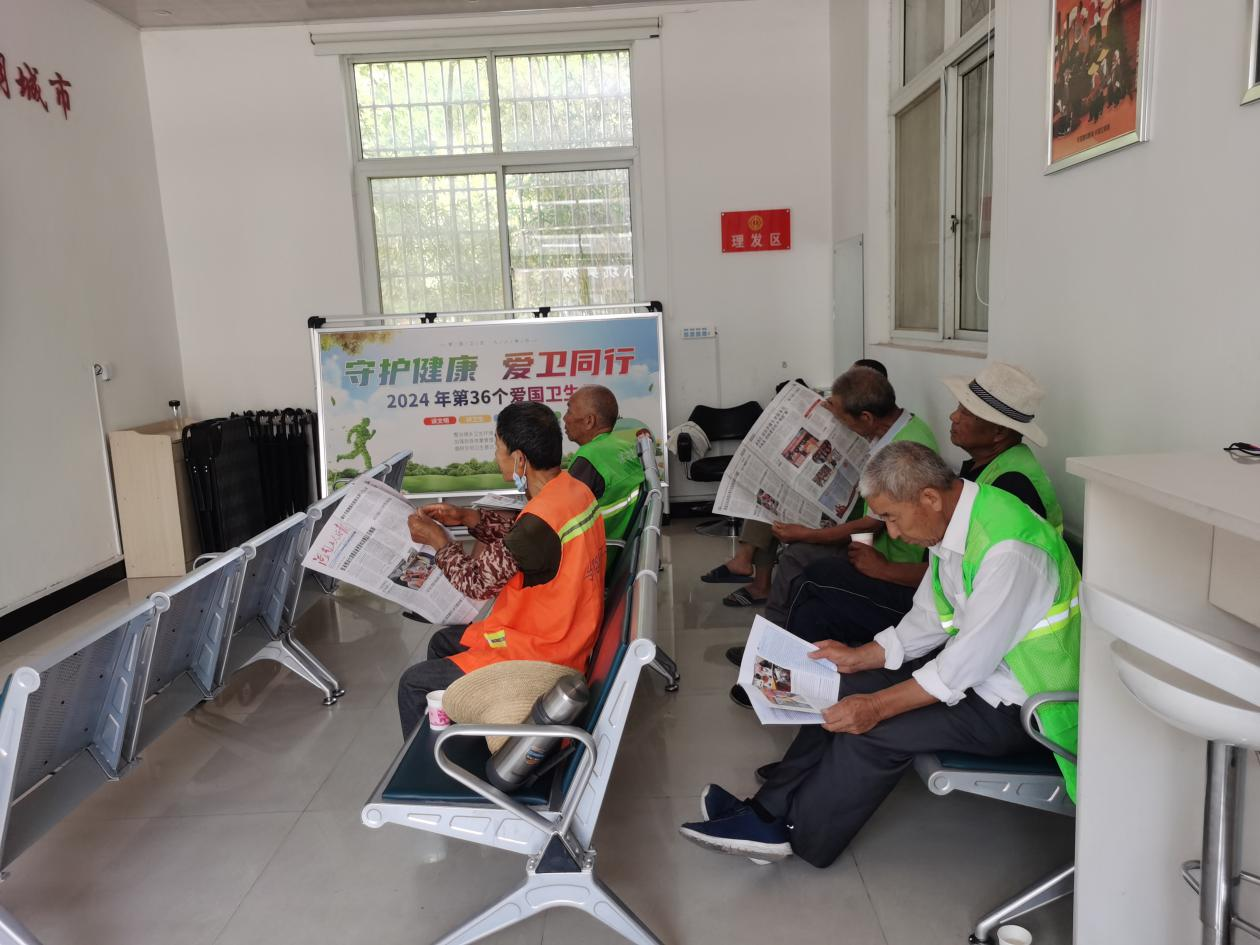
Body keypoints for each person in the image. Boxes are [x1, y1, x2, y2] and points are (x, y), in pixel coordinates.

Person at [678, 442, 1080, 867]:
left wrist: (875, 706)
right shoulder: (955, 521)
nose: (892, 534)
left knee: (873, 731)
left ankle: (798, 837)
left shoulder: (1009, 552)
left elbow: (960, 668)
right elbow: (932, 616)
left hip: (1022, 707)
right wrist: (861, 657)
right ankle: (765, 813)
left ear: (928, 497)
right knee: (836, 688)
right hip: (981, 680)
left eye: (891, 517)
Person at [778, 362, 1062, 662]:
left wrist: (885, 570)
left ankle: (781, 666)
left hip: (962, 618)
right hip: (938, 593)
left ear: (998, 431)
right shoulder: (988, 465)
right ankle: (784, 666)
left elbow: (977, 585)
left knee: (816, 578)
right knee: (814, 606)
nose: (953, 416)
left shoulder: (1013, 483)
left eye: (966, 413)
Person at [396, 402, 606, 737]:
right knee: (442, 642)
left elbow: (477, 582)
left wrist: (438, 540)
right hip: (569, 633)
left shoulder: (539, 522)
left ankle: (435, 765)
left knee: (412, 683)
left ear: (520, 459)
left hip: (541, 653)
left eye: (498, 448)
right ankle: (466, 733)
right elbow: (525, 539)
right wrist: (469, 518)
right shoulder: (573, 490)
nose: (496, 457)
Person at [699, 360, 898, 608]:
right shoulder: (862, 423)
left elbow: (871, 519)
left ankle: (751, 571)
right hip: (830, 498)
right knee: (771, 494)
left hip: (848, 514)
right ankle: (751, 570)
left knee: (776, 517)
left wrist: (808, 533)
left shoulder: (882, 437)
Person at [562, 385, 646, 554]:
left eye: (569, 411)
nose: (564, 418)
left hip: (596, 555)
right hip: (624, 547)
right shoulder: (624, 446)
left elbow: (561, 519)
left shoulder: (589, 458)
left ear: (589, 421)